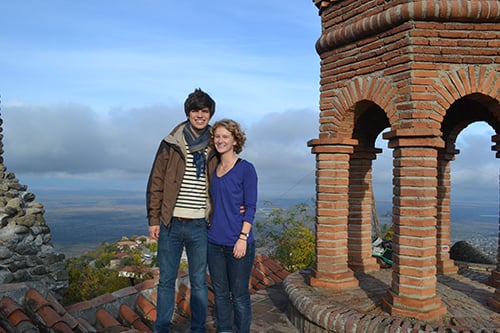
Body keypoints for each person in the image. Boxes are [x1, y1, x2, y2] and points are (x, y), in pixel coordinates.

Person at [146, 88, 218, 333]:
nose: (200, 115)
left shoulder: (215, 144)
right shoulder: (171, 142)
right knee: (166, 281)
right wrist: (153, 219)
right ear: (188, 113)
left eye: (204, 111)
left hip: (200, 225)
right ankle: (161, 328)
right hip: (171, 224)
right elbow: (156, 180)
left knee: (199, 281)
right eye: (195, 110)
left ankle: (198, 329)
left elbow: (226, 177)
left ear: (210, 114)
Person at [207, 119, 258, 333]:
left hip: (238, 242)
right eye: (217, 136)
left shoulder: (245, 169)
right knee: (220, 295)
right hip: (213, 243)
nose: (220, 140)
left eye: (225, 136)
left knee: (239, 296)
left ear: (235, 140)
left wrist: (242, 238)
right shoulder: (213, 169)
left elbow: (251, 206)